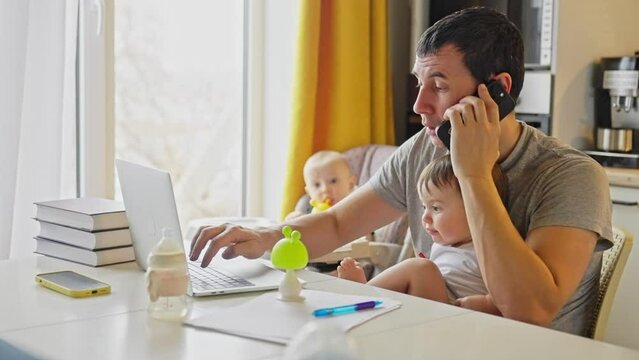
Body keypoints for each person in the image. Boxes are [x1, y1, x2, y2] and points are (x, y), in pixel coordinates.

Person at [190, 7, 612, 336]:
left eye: (439, 86)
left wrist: (474, 175)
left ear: (496, 91)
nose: (419, 106)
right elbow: (338, 222)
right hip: (424, 338)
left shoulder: (570, 176)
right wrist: (265, 237)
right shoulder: (422, 152)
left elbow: (529, 310)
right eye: (419, 85)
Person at [337, 154, 505, 316]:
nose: (425, 217)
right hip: (433, 311)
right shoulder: (443, 245)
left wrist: (488, 303)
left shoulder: (492, 248)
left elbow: (513, 293)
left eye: (436, 208)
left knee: (422, 268)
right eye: (424, 207)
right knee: (422, 269)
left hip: (454, 320)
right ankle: (365, 298)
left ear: (475, 208)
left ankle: (362, 293)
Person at [285, 150, 356, 220]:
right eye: (317, 185)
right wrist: (295, 220)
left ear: (351, 184)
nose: (325, 189)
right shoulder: (307, 208)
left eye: (333, 181)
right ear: (309, 192)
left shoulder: (358, 202)